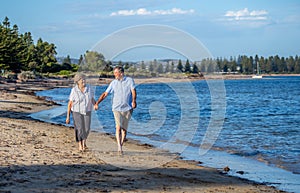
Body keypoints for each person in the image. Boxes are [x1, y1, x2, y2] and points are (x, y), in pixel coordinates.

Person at [94, 66, 137, 155]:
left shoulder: (129, 80)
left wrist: (133, 101)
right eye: (114, 73)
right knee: (118, 127)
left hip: (128, 108)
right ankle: (119, 148)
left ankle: (121, 144)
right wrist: (97, 102)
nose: (114, 75)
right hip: (116, 108)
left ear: (121, 73)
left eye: (115, 73)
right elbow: (105, 94)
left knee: (124, 129)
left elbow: (133, 91)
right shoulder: (113, 83)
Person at [66, 73, 96, 151]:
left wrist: (95, 104)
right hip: (76, 111)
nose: (83, 81)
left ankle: (84, 142)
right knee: (80, 128)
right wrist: (68, 116)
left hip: (87, 110)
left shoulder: (89, 88)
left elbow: (92, 99)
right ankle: (80, 144)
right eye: (81, 79)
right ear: (77, 81)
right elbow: (70, 103)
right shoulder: (74, 90)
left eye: (84, 79)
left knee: (86, 129)